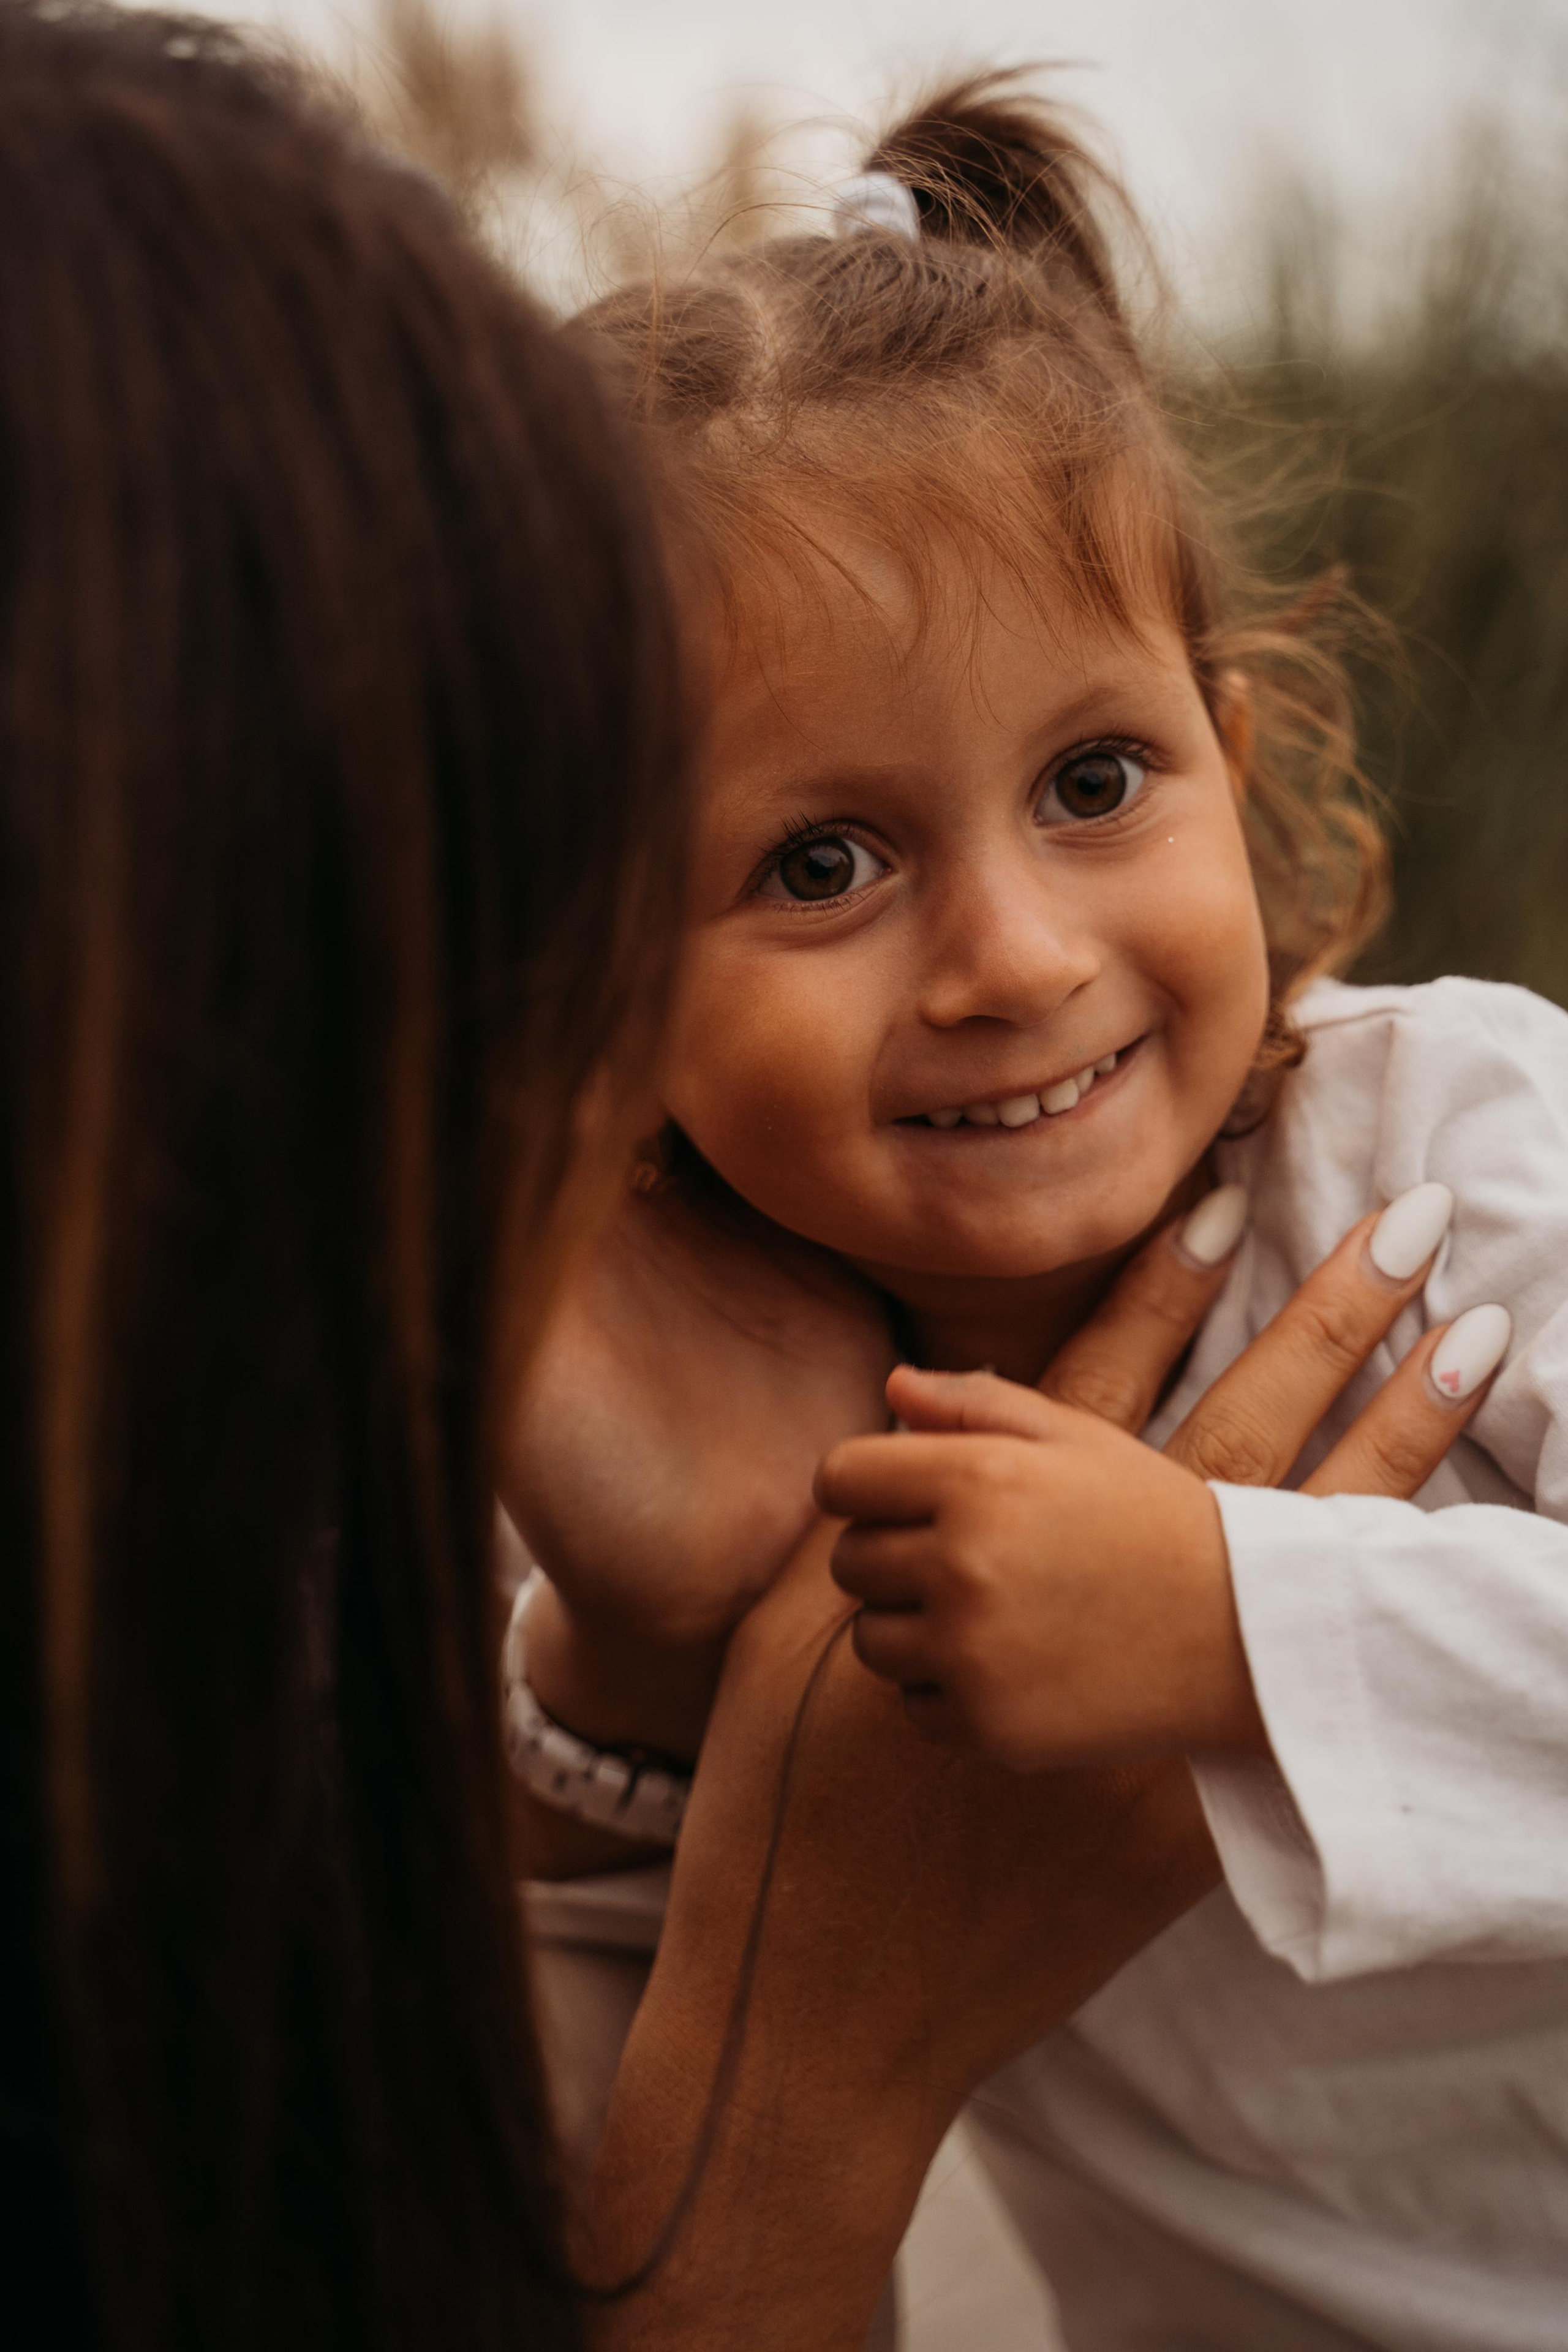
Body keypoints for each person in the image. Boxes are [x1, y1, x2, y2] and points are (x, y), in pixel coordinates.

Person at [507, 78, 1568, 2350]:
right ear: (599, 984)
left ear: (1240, 759)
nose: (1010, 957)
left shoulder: (1457, 1160)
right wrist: (632, 1648)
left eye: (1096, 783)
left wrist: (1235, 1627)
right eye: (822, 863)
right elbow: (671, 1967)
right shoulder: (748, 1363)